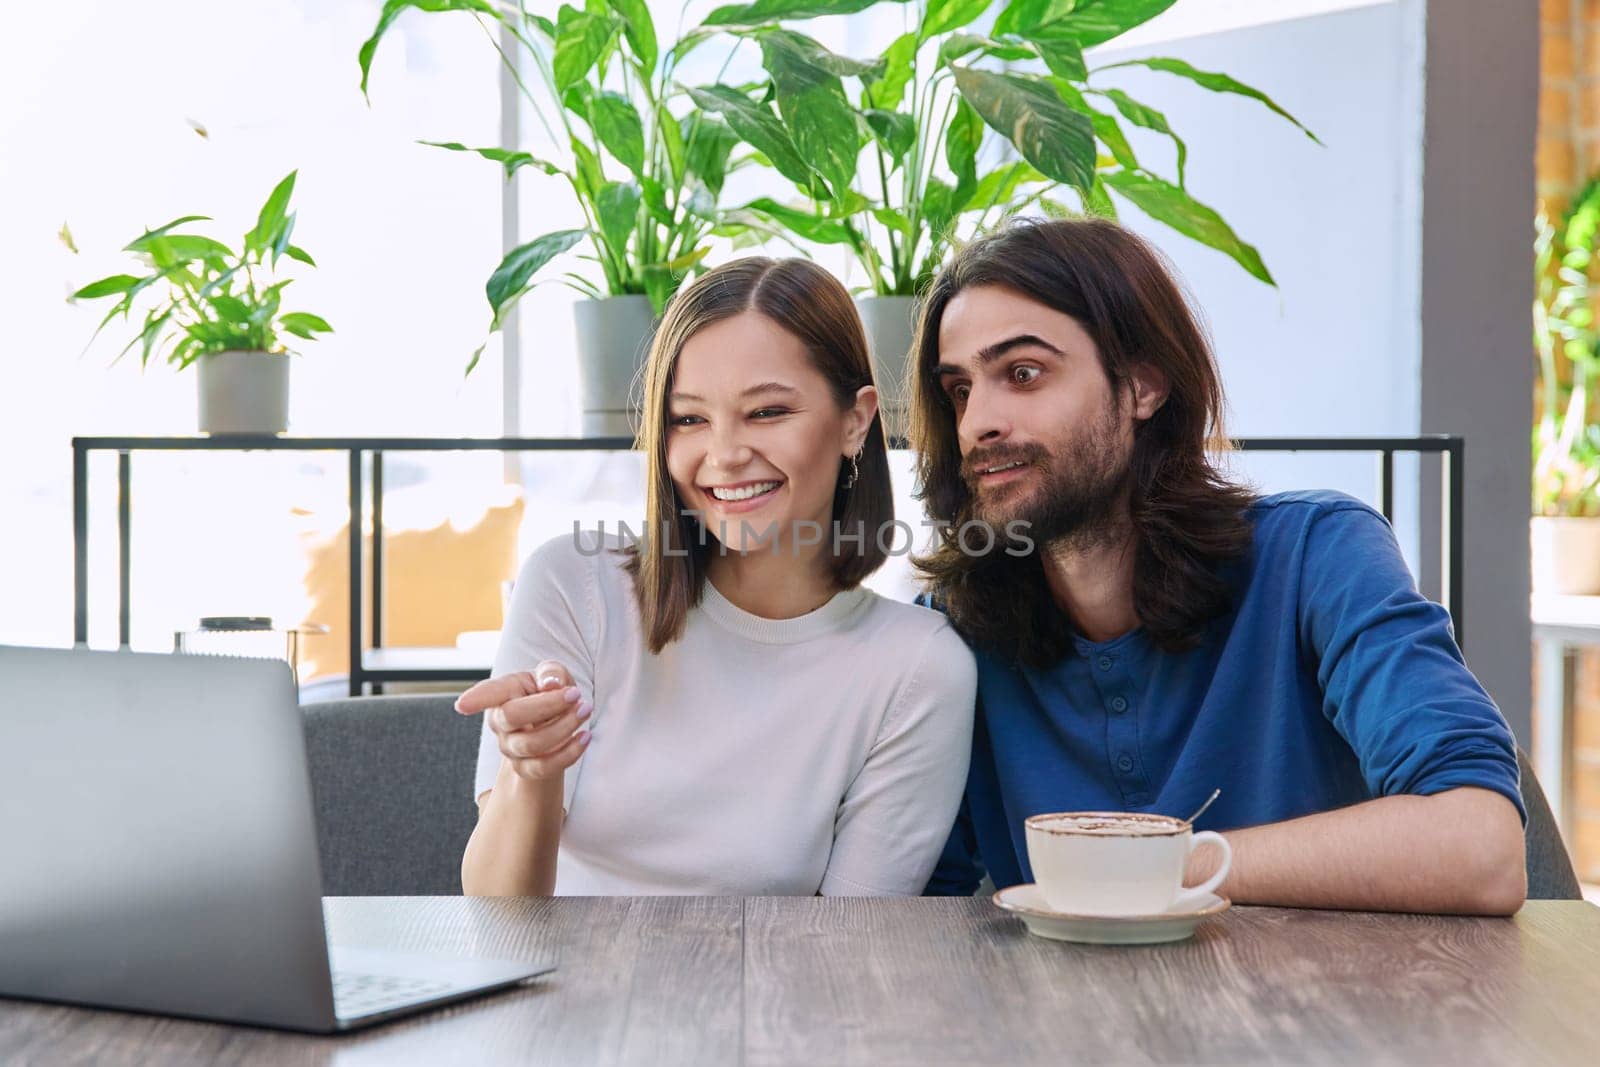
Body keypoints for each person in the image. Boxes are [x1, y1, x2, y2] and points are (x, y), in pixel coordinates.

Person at [910, 217, 1527, 915]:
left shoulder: (1317, 555)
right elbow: (919, 908)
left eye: (1023, 373)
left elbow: (1482, 846)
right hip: (1057, 1022)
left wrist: (1155, 867)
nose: (976, 424)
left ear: (1144, 385)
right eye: (959, 389)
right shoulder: (951, 636)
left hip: (1329, 1013)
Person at [456, 257, 976, 896]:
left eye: (767, 412)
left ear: (856, 420)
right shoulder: (573, 585)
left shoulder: (918, 668)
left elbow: (852, 945)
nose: (725, 456)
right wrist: (529, 774)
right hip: (561, 990)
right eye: (689, 419)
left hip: (781, 994)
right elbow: (496, 912)